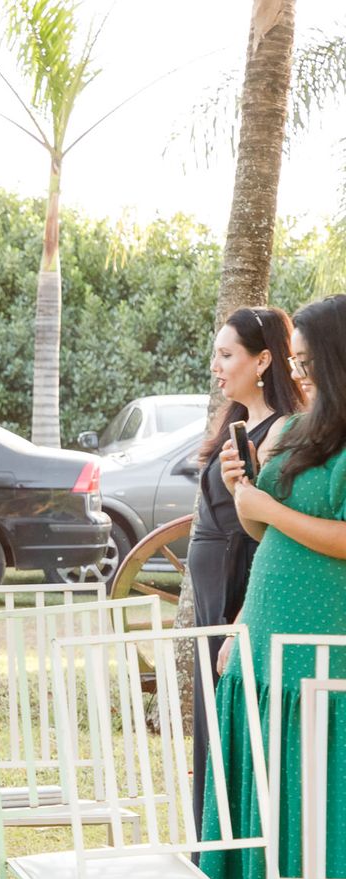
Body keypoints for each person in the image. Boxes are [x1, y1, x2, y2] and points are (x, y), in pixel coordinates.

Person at [194, 294, 346, 879]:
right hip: (264, 642)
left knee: (312, 800)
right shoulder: (303, 429)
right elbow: (264, 537)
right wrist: (245, 496)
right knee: (257, 790)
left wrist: (265, 507)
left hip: (320, 656)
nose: (302, 375)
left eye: (311, 362)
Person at [184, 306, 304, 835]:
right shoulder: (237, 423)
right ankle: (209, 865)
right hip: (212, 589)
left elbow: (262, 525)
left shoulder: (279, 430)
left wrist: (242, 613)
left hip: (239, 585)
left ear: (263, 360)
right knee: (208, 724)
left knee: (230, 722)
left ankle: (228, 863)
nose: (216, 365)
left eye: (226, 354)